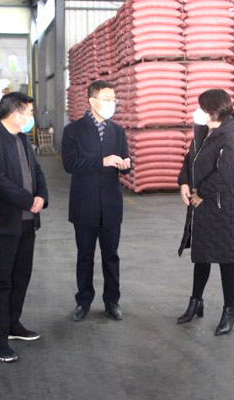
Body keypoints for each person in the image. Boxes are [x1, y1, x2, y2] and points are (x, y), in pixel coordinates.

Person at [0, 92, 48, 363]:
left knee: (20, 276)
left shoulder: (22, 139)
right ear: (16, 114)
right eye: (29, 113)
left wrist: (41, 197)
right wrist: (28, 200)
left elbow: (37, 172)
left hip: (26, 222)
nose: (32, 117)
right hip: (1, 224)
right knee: (0, 281)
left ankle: (12, 324)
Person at [177, 89, 234, 336]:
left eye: (201, 108)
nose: (197, 112)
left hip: (223, 209)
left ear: (214, 111)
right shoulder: (203, 132)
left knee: (226, 260)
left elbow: (226, 175)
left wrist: (201, 193)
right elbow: (190, 160)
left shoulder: (231, 139)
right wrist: (184, 182)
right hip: (203, 206)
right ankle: (196, 302)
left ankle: (229, 311)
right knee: (202, 256)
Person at [62, 80, 131, 322]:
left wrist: (125, 165)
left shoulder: (118, 131)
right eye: (107, 99)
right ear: (92, 101)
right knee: (85, 256)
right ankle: (83, 301)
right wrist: (101, 162)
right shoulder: (73, 131)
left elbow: (125, 162)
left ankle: (112, 301)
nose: (112, 103)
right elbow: (70, 164)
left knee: (111, 256)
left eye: (113, 99)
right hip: (85, 204)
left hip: (111, 204)